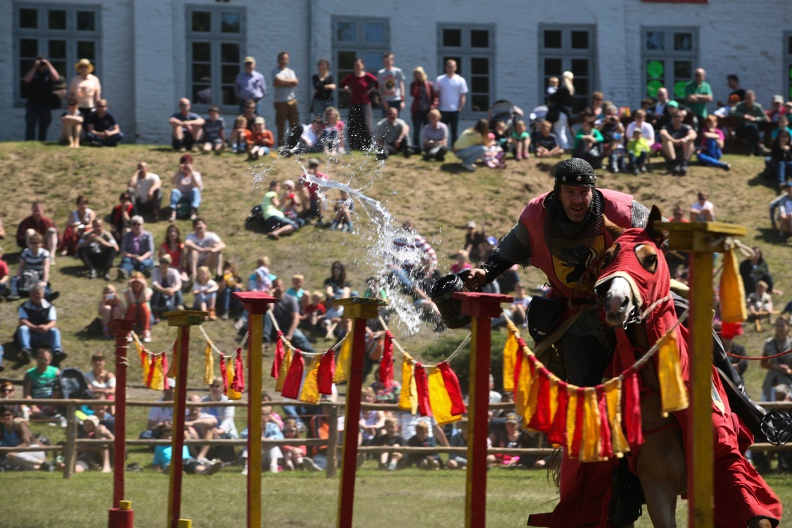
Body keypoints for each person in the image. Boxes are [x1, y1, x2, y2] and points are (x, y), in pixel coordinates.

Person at [16, 287, 65, 365]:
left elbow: (53, 321)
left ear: (43, 295)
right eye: (33, 294)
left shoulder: (49, 306)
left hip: (43, 335)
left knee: (54, 330)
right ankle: (26, 351)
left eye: (38, 293)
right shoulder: (24, 306)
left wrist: (46, 327)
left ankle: (57, 353)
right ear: (30, 295)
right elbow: (22, 320)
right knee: (23, 328)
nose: (36, 295)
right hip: (30, 336)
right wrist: (34, 328)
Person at [151, 423, 221, 475]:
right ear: (162, 437)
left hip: (186, 460)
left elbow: (186, 436)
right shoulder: (159, 447)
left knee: (193, 464)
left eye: (172, 436)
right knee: (171, 466)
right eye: (167, 436)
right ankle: (177, 472)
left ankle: (205, 471)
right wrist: (158, 469)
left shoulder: (182, 443)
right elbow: (156, 462)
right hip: (171, 462)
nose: (170, 438)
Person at [265, 278, 315, 351]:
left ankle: (313, 355)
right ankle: (265, 340)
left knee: (299, 337)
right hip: (274, 328)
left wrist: (290, 334)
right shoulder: (269, 299)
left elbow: (296, 318)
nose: (277, 288)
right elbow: (270, 310)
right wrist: (270, 296)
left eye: (278, 286)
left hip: (288, 327)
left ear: (283, 287)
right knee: (267, 314)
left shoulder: (290, 299)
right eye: (275, 286)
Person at [340, 58, 378, 151]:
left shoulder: (367, 76)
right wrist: (347, 89)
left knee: (366, 126)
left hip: (365, 104)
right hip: (354, 103)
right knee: (353, 125)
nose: (357, 66)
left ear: (363, 66)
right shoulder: (351, 76)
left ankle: (368, 147)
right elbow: (342, 84)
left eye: (359, 64)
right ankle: (354, 147)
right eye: (355, 65)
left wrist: (370, 91)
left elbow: (377, 83)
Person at [8, 233, 56, 301]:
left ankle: (48, 295)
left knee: (41, 285)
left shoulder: (44, 253)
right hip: (27, 275)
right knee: (13, 280)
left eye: (37, 243)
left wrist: (45, 281)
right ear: (30, 243)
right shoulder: (26, 252)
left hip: (38, 275)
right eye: (33, 243)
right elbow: (21, 266)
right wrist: (19, 275)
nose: (35, 245)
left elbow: (46, 268)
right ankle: (14, 294)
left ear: (41, 243)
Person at [22, 55, 60, 141]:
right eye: (40, 64)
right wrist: (35, 67)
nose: (41, 66)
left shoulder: (48, 73)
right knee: (30, 124)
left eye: (42, 64)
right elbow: (27, 80)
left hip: (45, 103)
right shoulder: (33, 72)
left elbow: (56, 78)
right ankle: (29, 141)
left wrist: (49, 64)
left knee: (44, 123)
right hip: (32, 103)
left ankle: (42, 140)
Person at [0, 406, 49, 471]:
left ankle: (43, 464)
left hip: (33, 449)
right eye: (3, 415)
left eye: (8, 415)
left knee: (9, 456)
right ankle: (40, 467)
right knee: (6, 461)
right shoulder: (2, 428)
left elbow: (26, 442)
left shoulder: (20, 424)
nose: (6, 417)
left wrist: (14, 450)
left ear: (13, 415)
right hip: (18, 454)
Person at [434, 59, 469, 144]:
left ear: (456, 68)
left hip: (454, 110)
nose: (450, 69)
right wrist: (436, 107)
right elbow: (436, 94)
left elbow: (463, 96)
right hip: (442, 109)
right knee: (442, 131)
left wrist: (459, 108)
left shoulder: (460, 80)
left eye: (452, 67)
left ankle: (454, 149)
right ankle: (442, 147)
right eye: (449, 67)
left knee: (454, 131)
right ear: (445, 67)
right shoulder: (440, 79)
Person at [272, 51, 300, 147]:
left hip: (291, 100)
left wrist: (282, 82)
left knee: (294, 124)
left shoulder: (290, 72)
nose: (284, 61)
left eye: (286, 59)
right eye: (282, 58)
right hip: (280, 102)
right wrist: (289, 82)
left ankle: (293, 145)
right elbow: (277, 81)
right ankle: (281, 145)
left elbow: (295, 82)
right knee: (281, 124)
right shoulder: (275, 71)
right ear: (278, 60)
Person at [760, 317, 792, 401]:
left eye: (782, 326)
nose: (780, 328)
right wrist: (775, 366)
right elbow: (763, 363)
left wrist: (789, 370)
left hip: (788, 382)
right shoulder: (769, 343)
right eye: (778, 326)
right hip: (771, 382)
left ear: (788, 327)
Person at [730, 90, 769, 156]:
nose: (748, 100)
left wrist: (755, 118)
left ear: (754, 98)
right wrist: (743, 115)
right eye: (746, 98)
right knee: (752, 127)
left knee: (752, 129)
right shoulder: (740, 105)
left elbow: (764, 117)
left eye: (750, 98)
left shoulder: (758, 107)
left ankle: (751, 152)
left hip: (752, 129)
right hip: (741, 129)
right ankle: (760, 145)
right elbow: (731, 112)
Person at [660, 108, 697, 175]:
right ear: (672, 118)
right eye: (675, 116)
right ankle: (674, 163)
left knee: (689, 141)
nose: (677, 118)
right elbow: (662, 133)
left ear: (682, 118)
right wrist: (674, 141)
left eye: (679, 117)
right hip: (670, 154)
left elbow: (693, 134)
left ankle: (684, 163)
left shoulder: (686, 127)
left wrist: (685, 139)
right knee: (667, 141)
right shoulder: (667, 127)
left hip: (683, 153)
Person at [168, 154, 203, 222]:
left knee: (195, 190)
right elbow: (173, 182)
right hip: (182, 197)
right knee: (174, 191)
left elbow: (198, 186)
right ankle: (173, 213)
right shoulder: (179, 174)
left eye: (188, 163)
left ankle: (193, 212)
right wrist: (178, 171)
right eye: (184, 163)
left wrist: (191, 172)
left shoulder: (196, 174)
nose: (186, 166)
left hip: (191, 197)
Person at [546, 71, 574, 151]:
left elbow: (552, 99)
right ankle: (560, 148)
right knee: (561, 131)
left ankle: (565, 147)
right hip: (566, 114)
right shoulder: (571, 89)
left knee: (559, 132)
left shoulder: (562, 90)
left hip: (560, 113)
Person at [150, 254, 183, 321]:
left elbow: (179, 283)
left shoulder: (174, 271)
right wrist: (163, 290)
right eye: (161, 262)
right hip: (159, 291)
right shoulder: (155, 271)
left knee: (178, 291)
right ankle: (155, 307)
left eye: (166, 263)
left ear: (169, 264)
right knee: (154, 290)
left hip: (171, 292)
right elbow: (155, 284)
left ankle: (179, 305)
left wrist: (173, 290)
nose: (163, 265)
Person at [410, 66, 436, 150]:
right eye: (416, 74)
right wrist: (416, 84)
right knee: (416, 130)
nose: (418, 75)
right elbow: (413, 94)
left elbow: (434, 97)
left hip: (427, 111)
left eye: (419, 73)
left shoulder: (429, 84)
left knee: (427, 129)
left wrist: (433, 106)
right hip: (417, 111)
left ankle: (427, 147)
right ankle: (416, 147)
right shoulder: (414, 84)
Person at [124, 272, 152, 342]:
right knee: (132, 305)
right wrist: (129, 288)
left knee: (142, 304)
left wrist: (143, 287)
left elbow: (142, 300)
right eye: (134, 282)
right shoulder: (127, 291)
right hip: (131, 315)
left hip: (146, 315)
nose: (136, 284)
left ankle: (146, 331)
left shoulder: (149, 290)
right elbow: (132, 301)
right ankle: (128, 332)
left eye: (139, 282)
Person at [377, 52, 406, 117]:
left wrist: (402, 100)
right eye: (385, 61)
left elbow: (401, 86)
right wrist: (383, 101)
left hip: (396, 99)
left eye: (388, 61)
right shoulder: (381, 73)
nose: (387, 63)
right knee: (386, 119)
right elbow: (380, 88)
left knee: (396, 119)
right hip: (386, 100)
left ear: (392, 61)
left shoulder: (398, 71)